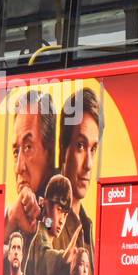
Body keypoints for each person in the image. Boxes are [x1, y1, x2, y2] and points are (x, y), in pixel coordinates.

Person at [6, 89, 57, 239]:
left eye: (28, 147)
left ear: (50, 151)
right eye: (16, 152)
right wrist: (11, 219)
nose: (19, 168)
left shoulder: (61, 203)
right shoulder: (13, 214)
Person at [58, 87, 101, 255]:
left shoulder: (86, 226)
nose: (89, 164)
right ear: (63, 150)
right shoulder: (48, 220)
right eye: (81, 146)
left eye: (93, 149)